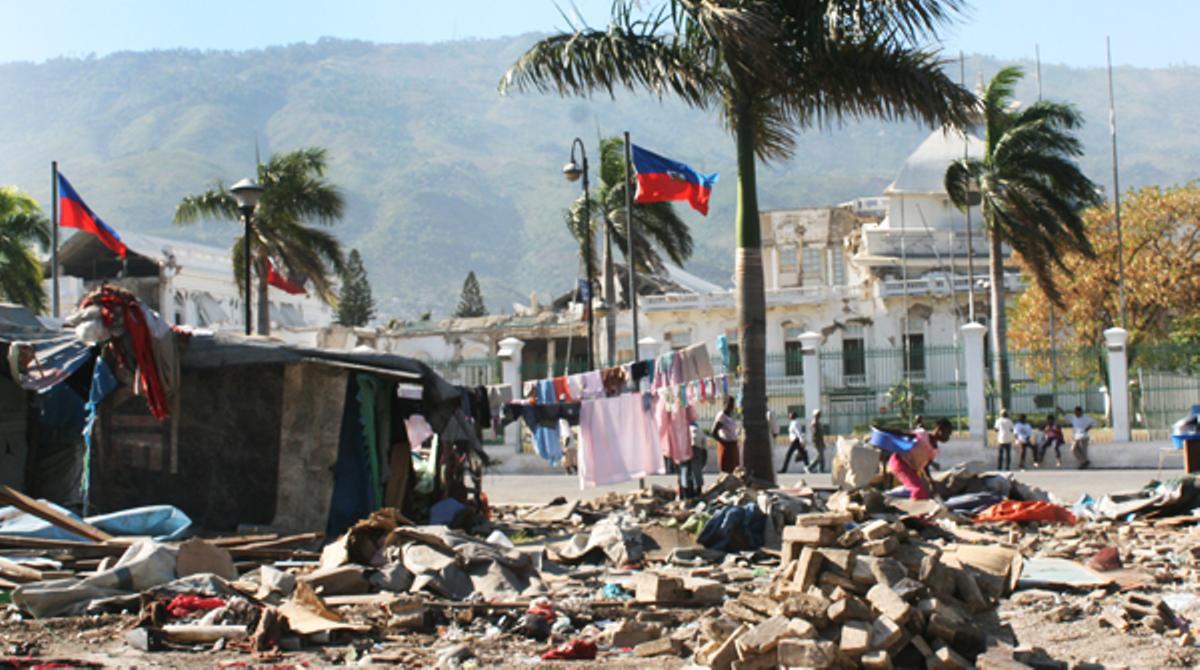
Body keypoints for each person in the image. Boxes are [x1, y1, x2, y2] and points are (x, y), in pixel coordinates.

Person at [887, 418, 953, 500]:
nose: (948, 437)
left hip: (911, 469)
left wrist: (930, 480)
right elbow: (903, 434)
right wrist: (884, 431)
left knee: (923, 492)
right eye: (948, 433)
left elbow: (925, 465)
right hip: (900, 463)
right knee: (918, 490)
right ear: (939, 429)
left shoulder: (934, 450)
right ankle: (915, 511)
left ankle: (919, 510)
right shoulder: (922, 435)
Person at [711, 396, 741, 473]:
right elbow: (713, 433)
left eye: (733, 404)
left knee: (735, 470)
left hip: (733, 446)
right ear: (725, 404)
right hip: (726, 447)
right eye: (730, 404)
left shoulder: (731, 415)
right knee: (727, 471)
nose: (731, 406)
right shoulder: (721, 416)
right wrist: (723, 442)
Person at [682, 421, 708, 498]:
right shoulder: (699, 430)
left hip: (685, 449)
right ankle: (698, 493)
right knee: (697, 472)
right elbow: (704, 449)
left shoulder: (684, 429)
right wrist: (703, 462)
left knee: (685, 472)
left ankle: (686, 494)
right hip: (697, 449)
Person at [809, 409, 826, 473]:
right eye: (818, 414)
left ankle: (821, 469)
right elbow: (815, 434)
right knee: (819, 456)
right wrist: (816, 442)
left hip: (820, 441)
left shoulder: (818, 422)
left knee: (821, 456)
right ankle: (810, 467)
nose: (819, 415)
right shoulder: (814, 423)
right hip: (817, 442)